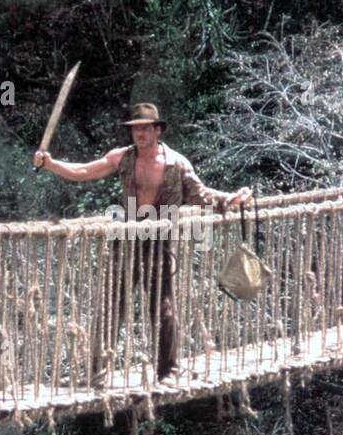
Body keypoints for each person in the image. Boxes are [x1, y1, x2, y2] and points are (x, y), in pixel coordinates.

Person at [33, 102, 252, 386]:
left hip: (160, 240)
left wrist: (229, 198)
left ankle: (169, 371)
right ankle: (96, 372)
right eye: (136, 129)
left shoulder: (176, 163)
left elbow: (200, 195)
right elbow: (84, 171)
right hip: (127, 238)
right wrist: (50, 164)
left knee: (162, 306)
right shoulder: (122, 157)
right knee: (111, 304)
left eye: (145, 129)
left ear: (157, 130)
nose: (140, 134)